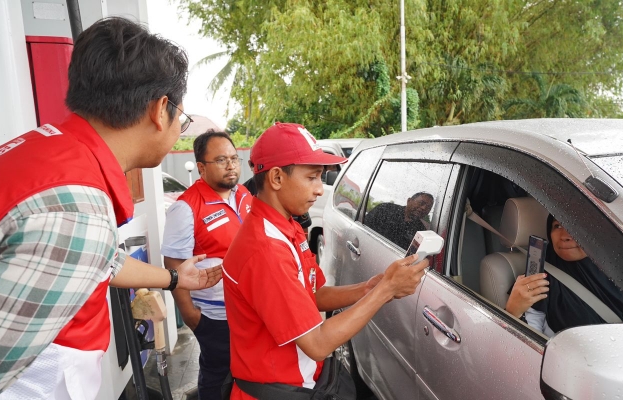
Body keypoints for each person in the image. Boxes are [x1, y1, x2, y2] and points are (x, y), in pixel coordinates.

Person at [0, 18, 221, 400]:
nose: (178, 126)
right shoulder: (77, 211)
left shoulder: (39, 152)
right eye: (181, 117)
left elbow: (102, 259)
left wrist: (178, 280)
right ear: (160, 109)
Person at [223, 122, 430, 399]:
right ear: (276, 178)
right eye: (312, 178)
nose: (321, 190)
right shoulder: (265, 249)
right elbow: (317, 343)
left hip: (300, 382)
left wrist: (367, 288)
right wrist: (386, 290)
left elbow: (314, 294)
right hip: (279, 390)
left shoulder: (286, 226)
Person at [162, 130, 252, 399]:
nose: (231, 166)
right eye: (221, 160)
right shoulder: (186, 207)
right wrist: (190, 315)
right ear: (201, 167)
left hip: (250, 308)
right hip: (216, 316)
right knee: (217, 373)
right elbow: (174, 265)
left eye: (234, 159)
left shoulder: (244, 195)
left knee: (247, 372)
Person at [505, 215, 623, 337]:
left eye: (576, 226)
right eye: (558, 226)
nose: (565, 236)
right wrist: (513, 311)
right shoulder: (537, 278)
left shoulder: (621, 272)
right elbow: (529, 342)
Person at [363, 192, 435, 248]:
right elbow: (363, 229)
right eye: (421, 203)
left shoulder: (421, 232)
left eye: (428, 207)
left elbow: (413, 256)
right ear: (409, 201)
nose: (423, 208)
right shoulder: (385, 209)